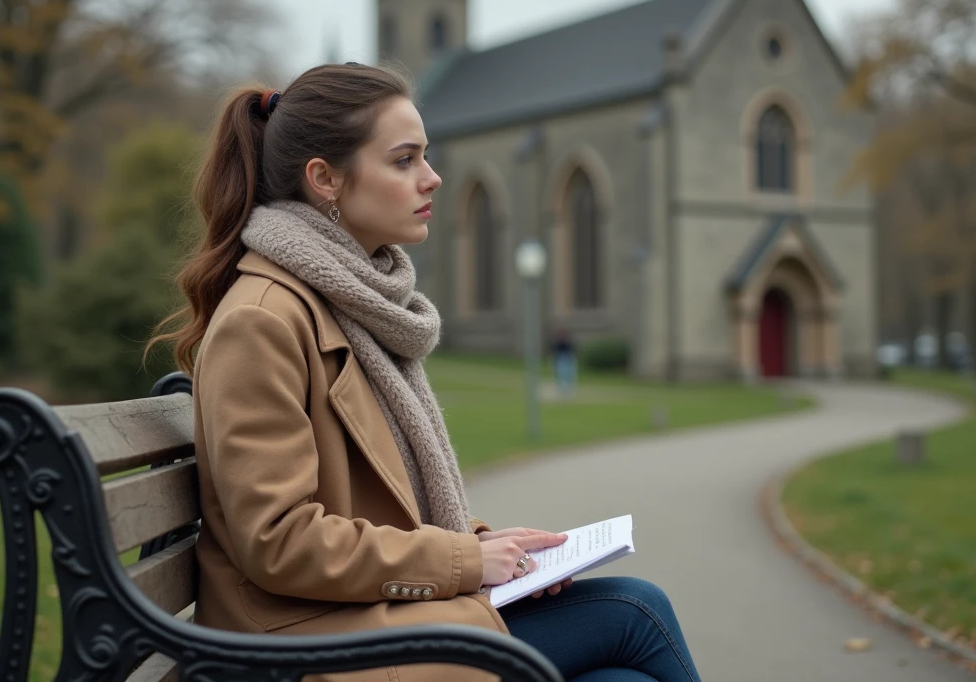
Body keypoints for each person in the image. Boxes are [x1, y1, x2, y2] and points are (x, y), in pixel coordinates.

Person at [147, 63, 702, 682]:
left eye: (425, 157)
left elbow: (379, 505)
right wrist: (465, 560)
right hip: (297, 643)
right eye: (405, 160)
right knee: (635, 611)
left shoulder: (351, 305)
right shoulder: (265, 320)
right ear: (325, 179)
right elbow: (279, 540)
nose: (432, 178)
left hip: (352, 616)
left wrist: (501, 553)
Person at [551, 328, 578, 399]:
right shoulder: (558, 343)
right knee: (562, 376)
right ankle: (562, 391)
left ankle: (568, 391)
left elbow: (573, 350)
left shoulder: (568, 342)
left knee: (569, 376)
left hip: (568, 360)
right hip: (561, 360)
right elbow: (555, 352)